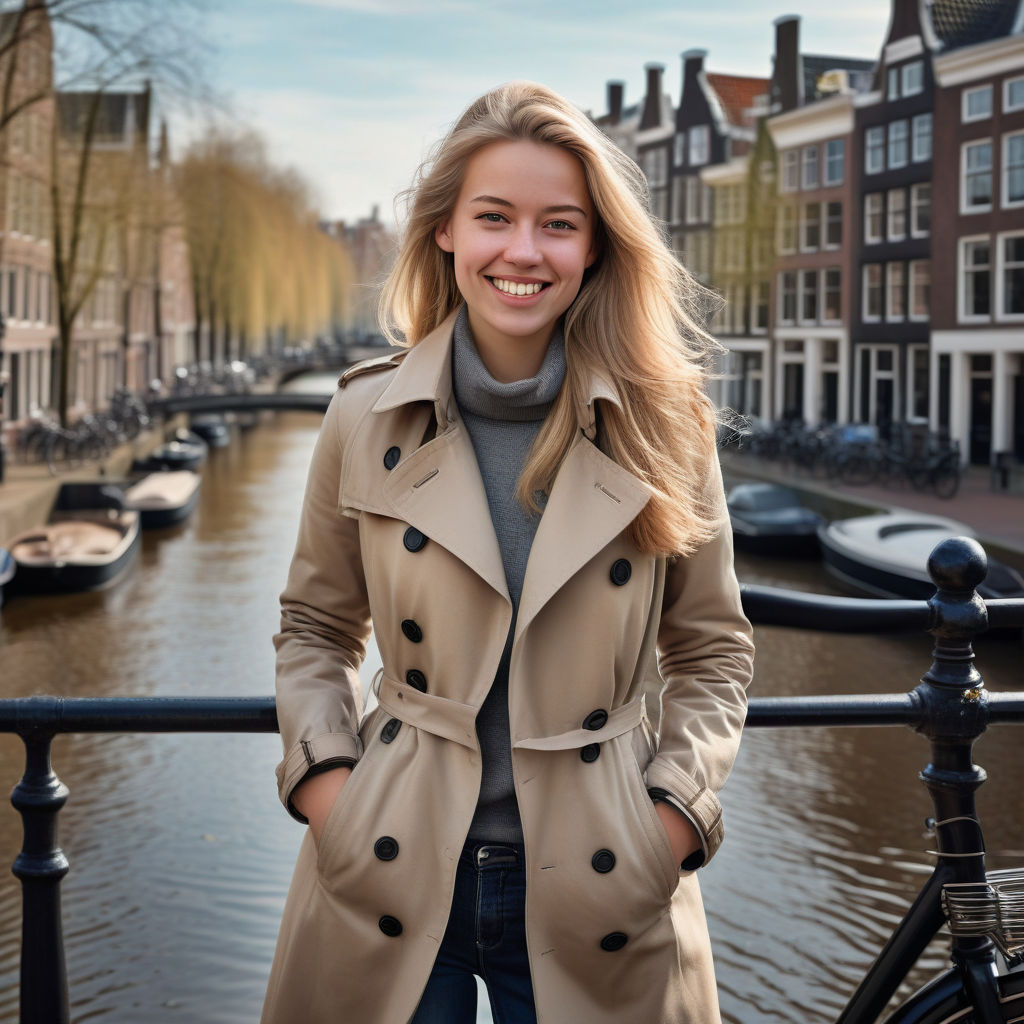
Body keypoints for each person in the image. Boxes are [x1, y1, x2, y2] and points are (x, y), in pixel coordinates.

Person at [261, 81, 754, 1024]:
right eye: (494, 217)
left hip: (603, 884)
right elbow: (316, 626)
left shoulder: (664, 426)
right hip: (392, 868)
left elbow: (712, 649)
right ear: (446, 230)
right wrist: (329, 793)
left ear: (595, 245)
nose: (523, 252)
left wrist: (670, 824)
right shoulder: (364, 415)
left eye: (558, 225)